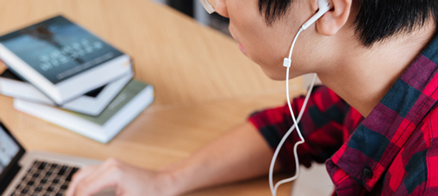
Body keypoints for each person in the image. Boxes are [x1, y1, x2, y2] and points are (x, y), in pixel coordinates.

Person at [66, 0, 438, 195]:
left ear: (328, 9)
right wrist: (164, 181)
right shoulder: (382, 69)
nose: (220, 8)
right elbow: (291, 128)